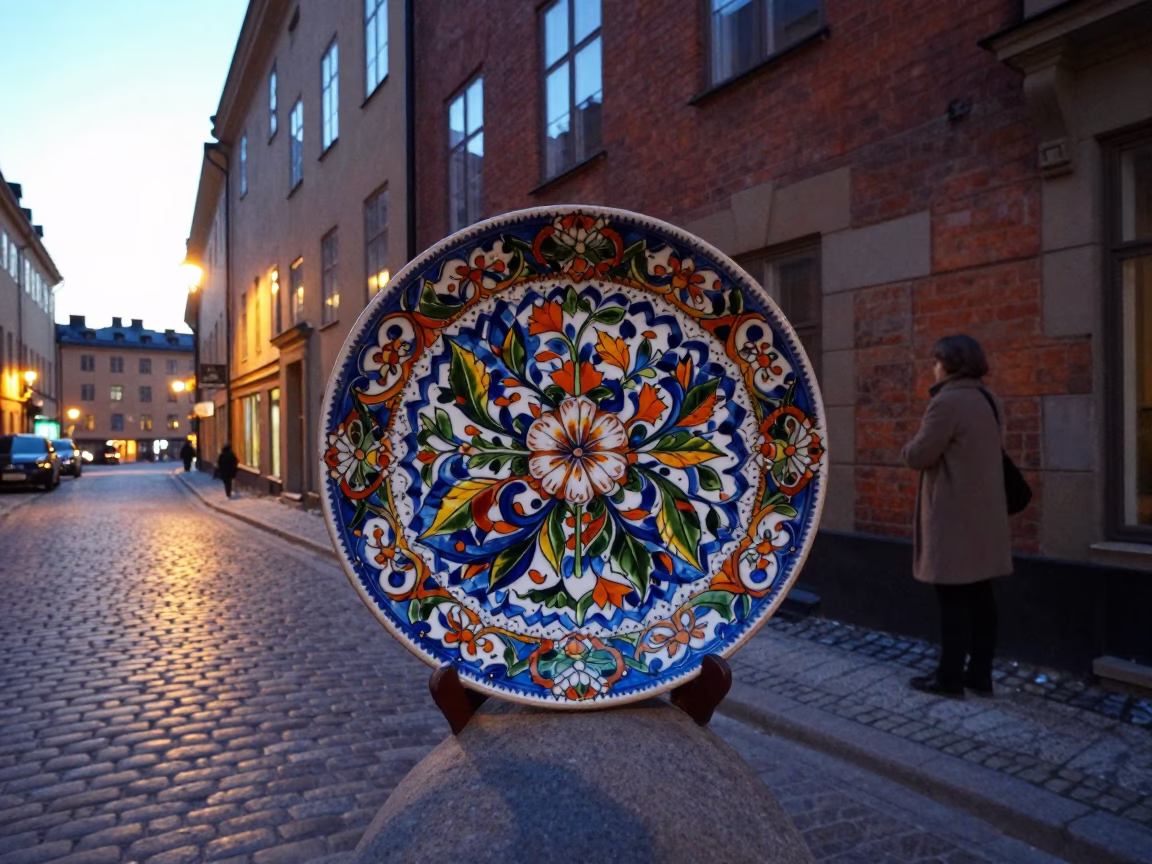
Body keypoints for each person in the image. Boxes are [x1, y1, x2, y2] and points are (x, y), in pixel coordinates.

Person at [901, 335, 1013, 698]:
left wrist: (907, 448)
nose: (934, 367)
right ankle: (979, 675)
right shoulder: (988, 399)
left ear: (949, 363)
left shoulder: (947, 402)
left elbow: (919, 455)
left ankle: (949, 679)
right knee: (982, 599)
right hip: (986, 517)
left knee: (952, 602)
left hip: (952, 518)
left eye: (937, 361)